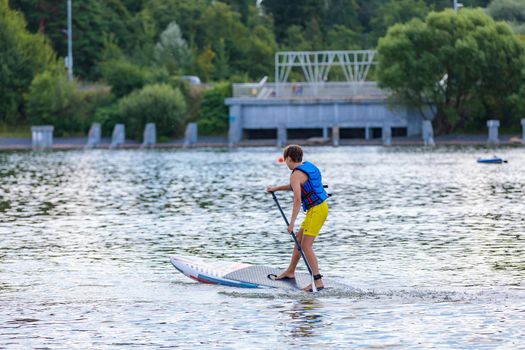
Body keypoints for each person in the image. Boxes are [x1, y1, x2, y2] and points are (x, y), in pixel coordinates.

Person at [267, 144, 329, 292]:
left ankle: (318, 282)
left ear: (288, 158)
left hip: (316, 211)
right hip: (320, 208)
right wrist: (275, 189)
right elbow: (295, 185)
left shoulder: (296, 174)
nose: (286, 163)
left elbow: (297, 199)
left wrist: (292, 223)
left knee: (306, 246)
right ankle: (290, 271)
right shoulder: (307, 166)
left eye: (286, 160)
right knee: (299, 240)